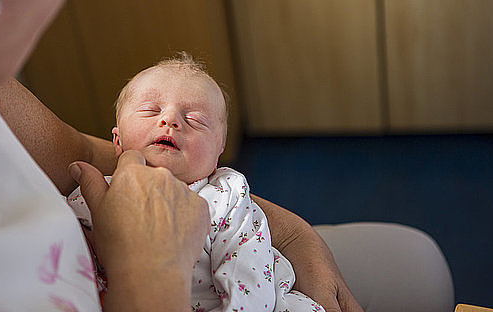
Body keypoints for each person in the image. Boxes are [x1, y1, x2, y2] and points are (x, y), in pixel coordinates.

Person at [0, 0, 454, 311]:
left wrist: (296, 238)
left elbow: (83, 154)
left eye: (195, 120)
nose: (169, 123)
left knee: (421, 266)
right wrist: (149, 274)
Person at [67, 54, 325, 312]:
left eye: (196, 120)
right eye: (150, 110)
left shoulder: (227, 196)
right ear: (117, 141)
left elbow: (248, 276)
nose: (169, 120)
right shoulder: (93, 195)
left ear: (217, 155)